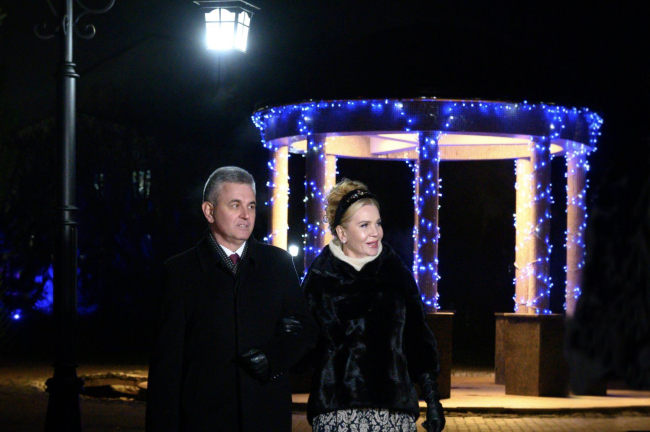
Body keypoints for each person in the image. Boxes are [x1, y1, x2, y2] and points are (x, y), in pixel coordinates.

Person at [146, 166, 317, 431]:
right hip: (203, 421)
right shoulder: (179, 272)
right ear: (209, 211)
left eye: (251, 206)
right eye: (235, 205)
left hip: (266, 418)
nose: (246, 215)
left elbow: (304, 331)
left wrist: (273, 357)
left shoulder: (279, 264)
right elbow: (166, 369)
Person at [302, 178, 446, 432]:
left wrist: (432, 399)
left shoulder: (396, 273)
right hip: (337, 415)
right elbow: (303, 351)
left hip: (393, 415)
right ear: (342, 233)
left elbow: (418, 341)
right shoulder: (319, 277)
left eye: (377, 223)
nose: (375, 232)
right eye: (364, 225)